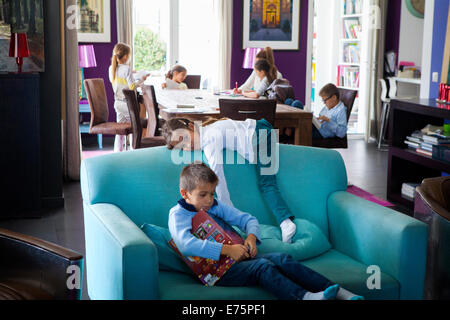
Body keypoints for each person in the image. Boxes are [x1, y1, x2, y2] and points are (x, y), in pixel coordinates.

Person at [168, 163, 364, 300]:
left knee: (282, 259)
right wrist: (227, 250)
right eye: (203, 195)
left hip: (238, 260)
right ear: (185, 193)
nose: (209, 200)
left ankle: (340, 293)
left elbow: (248, 219)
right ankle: (304, 297)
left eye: (212, 193)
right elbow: (185, 245)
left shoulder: (215, 207)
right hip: (217, 273)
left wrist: (252, 237)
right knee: (263, 267)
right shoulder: (178, 215)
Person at [162, 116, 297, 243]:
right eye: (182, 146)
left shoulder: (210, 138)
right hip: (258, 132)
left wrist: (228, 209)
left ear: (191, 126)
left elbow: (217, 173)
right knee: (265, 184)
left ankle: (286, 223)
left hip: (261, 133)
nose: (187, 146)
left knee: (267, 184)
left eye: (184, 138)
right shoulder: (206, 135)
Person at [109, 43, 149, 152]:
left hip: (117, 102)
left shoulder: (111, 68)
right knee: (134, 128)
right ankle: (133, 150)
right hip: (128, 104)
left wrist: (132, 74)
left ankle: (117, 152)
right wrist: (141, 79)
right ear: (126, 56)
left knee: (120, 130)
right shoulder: (126, 68)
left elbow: (120, 82)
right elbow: (131, 87)